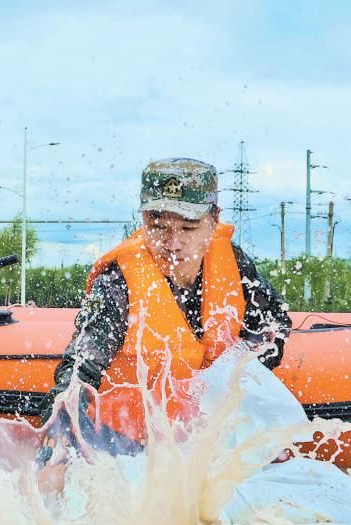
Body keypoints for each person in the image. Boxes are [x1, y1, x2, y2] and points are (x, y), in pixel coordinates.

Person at [38, 158, 291, 459]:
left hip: (208, 438)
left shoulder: (236, 265)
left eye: (188, 228)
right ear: (143, 219)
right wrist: (59, 439)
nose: (173, 243)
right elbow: (80, 368)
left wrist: (234, 386)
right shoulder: (117, 283)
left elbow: (274, 327)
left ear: (213, 221)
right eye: (158, 227)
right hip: (124, 443)